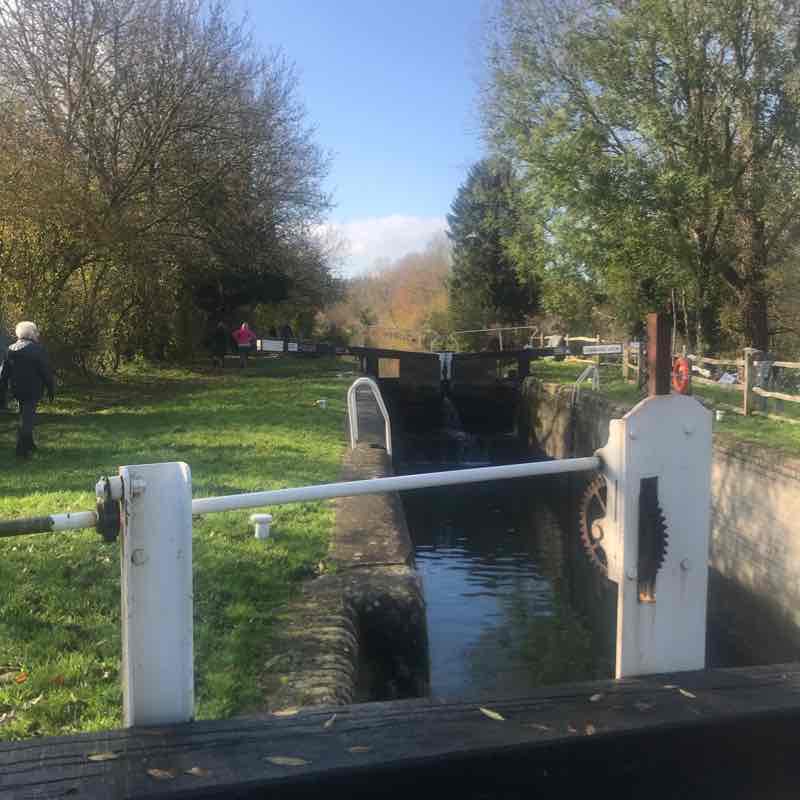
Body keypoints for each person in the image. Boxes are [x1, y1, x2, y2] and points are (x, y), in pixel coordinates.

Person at [0, 321, 55, 458]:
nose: (38, 334)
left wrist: (4, 388)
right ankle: (21, 450)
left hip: (17, 390)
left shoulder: (10, 349)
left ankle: (30, 445)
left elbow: (4, 373)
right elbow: (45, 371)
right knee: (27, 419)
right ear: (31, 333)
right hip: (32, 390)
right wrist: (51, 388)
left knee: (24, 416)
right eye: (36, 331)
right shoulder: (38, 349)